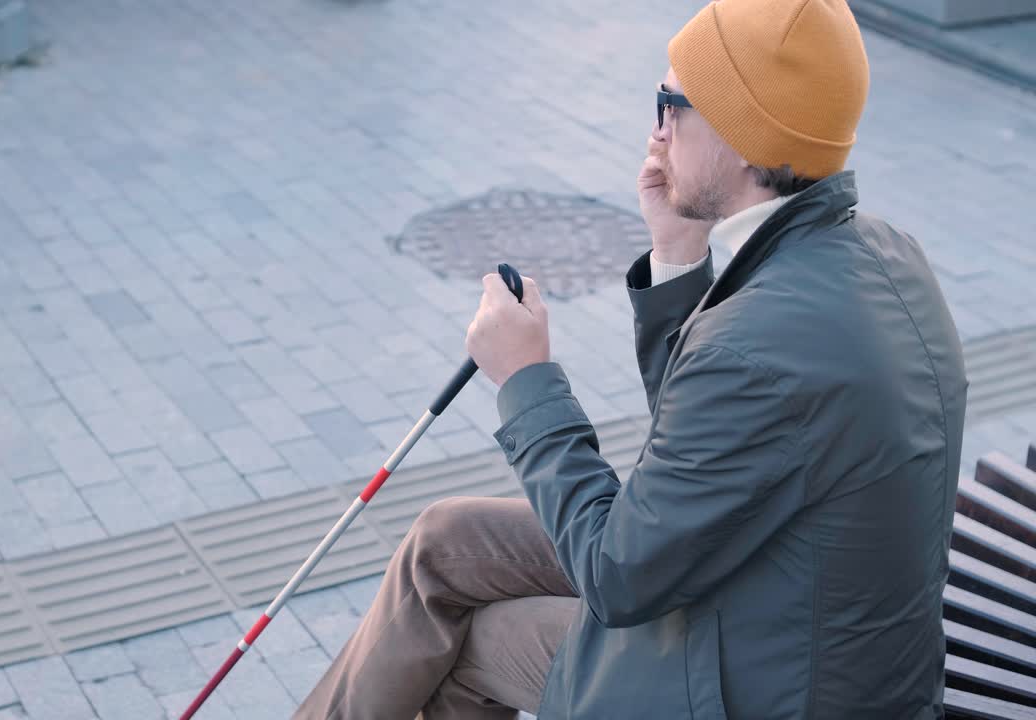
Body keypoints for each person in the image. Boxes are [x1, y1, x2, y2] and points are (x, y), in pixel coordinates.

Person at [293, 0, 968, 717]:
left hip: (770, 685)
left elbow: (618, 576)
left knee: (478, 644)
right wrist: (679, 257)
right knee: (445, 540)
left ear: (745, 135)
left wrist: (526, 382)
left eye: (671, 103)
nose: (657, 130)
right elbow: (717, 446)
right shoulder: (881, 252)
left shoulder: (757, 344)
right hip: (788, 616)